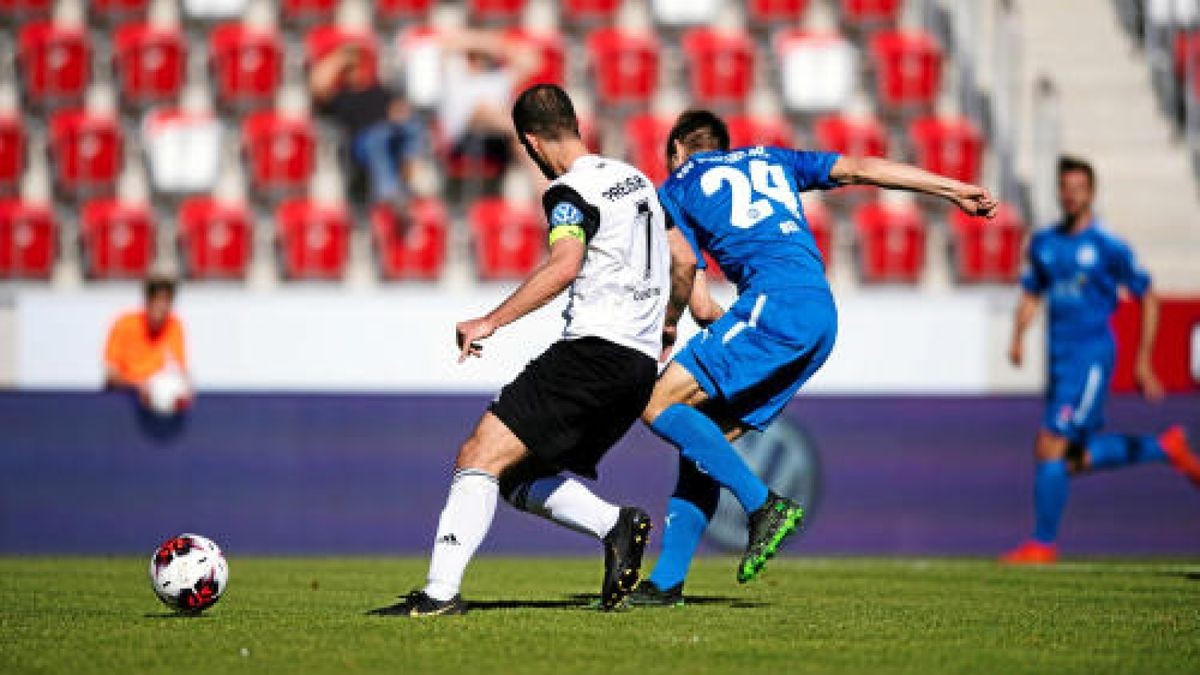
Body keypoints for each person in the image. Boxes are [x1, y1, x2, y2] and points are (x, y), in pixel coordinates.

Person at [627, 111, 999, 606]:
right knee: (699, 438)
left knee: (656, 402)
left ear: (677, 150)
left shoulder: (676, 187)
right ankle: (667, 581)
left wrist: (671, 323)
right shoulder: (772, 159)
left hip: (772, 305)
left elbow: (696, 299)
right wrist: (953, 189)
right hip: (819, 314)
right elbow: (863, 168)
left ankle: (763, 505)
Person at [369, 84, 697, 617]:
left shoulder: (569, 192)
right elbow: (681, 257)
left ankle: (438, 594)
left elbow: (565, 264)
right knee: (516, 475)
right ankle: (614, 527)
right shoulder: (636, 182)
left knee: (477, 454)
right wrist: (665, 326)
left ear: (531, 142)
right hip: (636, 368)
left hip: (592, 353)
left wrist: (490, 321)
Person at [1000, 156, 1199, 565]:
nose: (1071, 194)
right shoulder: (1045, 244)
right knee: (1071, 458)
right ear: (1059, 192)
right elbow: (1032, 294)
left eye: (1079, 188)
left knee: (1049, 444)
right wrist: (1018, 337)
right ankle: (1165, 446)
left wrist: (1144, 361)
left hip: (1091, 357)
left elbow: (1148, 298)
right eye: (1065, 187)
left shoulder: (1108, 247)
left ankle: (1042, 544)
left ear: (1091, 193)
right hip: (1059, 360)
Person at [310, 44, 423, 209]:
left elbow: (401, 113)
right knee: (377, 137)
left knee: (410, 125)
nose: (356, 71)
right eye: (351, 68)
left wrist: (400, 119)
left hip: (389, 138)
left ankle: (409, 177)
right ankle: (389, 194)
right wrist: (339, 59)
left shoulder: (381, 91)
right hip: (361, 145)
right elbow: (317, 85)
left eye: (358, 66)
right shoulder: (341, 97)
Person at [437, 29, 541, 191]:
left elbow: (531, 62)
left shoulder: (497, 79)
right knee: (486, 112)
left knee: (524, 141)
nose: (476, 60)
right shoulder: (455, 77)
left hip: (500, 139)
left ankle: (544, 191)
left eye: (480, 55)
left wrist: (496, 46)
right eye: (471, 55)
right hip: (463, 139)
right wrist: (482, 41)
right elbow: (446, 47)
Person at [104, 275, 191, 410]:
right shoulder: (125, 323)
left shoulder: (174, 326)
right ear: (148, 301)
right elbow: (111, 374)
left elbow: (180, 369)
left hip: (157, 402)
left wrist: (184, 387)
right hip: (122, 399)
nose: (161, 307)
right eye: (157, 300)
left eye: (166, 301)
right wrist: (138, 385)